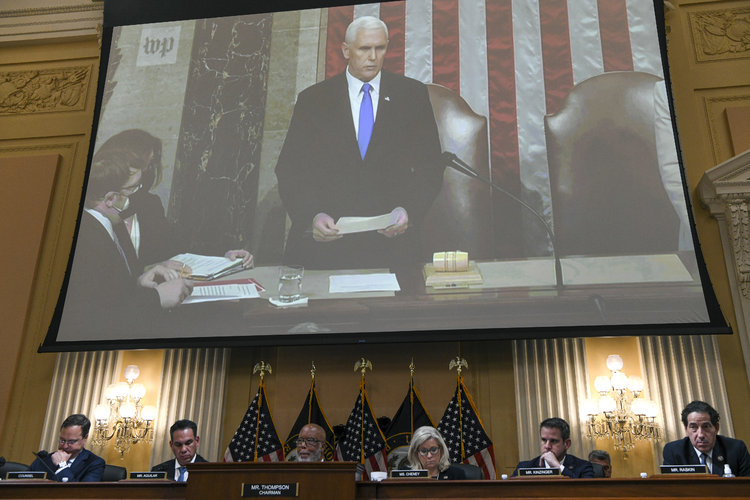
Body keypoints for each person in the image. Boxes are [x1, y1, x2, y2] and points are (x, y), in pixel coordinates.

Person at [275, 16, 444, 270]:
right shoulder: (314, 100)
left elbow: (430, 166)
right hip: (327, 248)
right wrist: (311, 216)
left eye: (380, 48)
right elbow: (290, 169)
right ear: (346, 50)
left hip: (392, 247)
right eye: (365, 48)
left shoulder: (411, 95)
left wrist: (409, 210)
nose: (373, 57)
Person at [58, 148, 195, 338]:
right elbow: (91, 320)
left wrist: (139, 281)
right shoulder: (84, 241)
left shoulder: (110, 224)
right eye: (131, 189)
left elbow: (111, 291)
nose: (138, 194)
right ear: (110, 198)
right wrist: (158, 298)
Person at [94, 129, 253, 272]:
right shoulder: (96, 213)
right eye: (141, 166)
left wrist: (224, 259)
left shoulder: (149, 204)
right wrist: (150, 269)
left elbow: (177, 252)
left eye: (150, 166)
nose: (146, 173)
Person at [662, 400, 750, 476]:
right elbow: (670, 489)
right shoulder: (673, 451)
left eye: (706, 426)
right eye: (693, 427)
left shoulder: (736, 448)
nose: (700, 435)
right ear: (686, 429)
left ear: (716, 428)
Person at [29, 414, 104, 482]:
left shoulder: (94, 463)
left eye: (71, 442)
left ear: (85, 438)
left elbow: (83, 494)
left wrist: (62, 466)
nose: (65, 446)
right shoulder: (43, 460)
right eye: (62, 440)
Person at [512, 417, 594, 478]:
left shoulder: (583, 467)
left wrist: (558, 467)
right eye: (544, 440)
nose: (547, 446)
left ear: (567, 444)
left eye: (553, 441)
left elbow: (584, 491)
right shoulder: (524, 467)